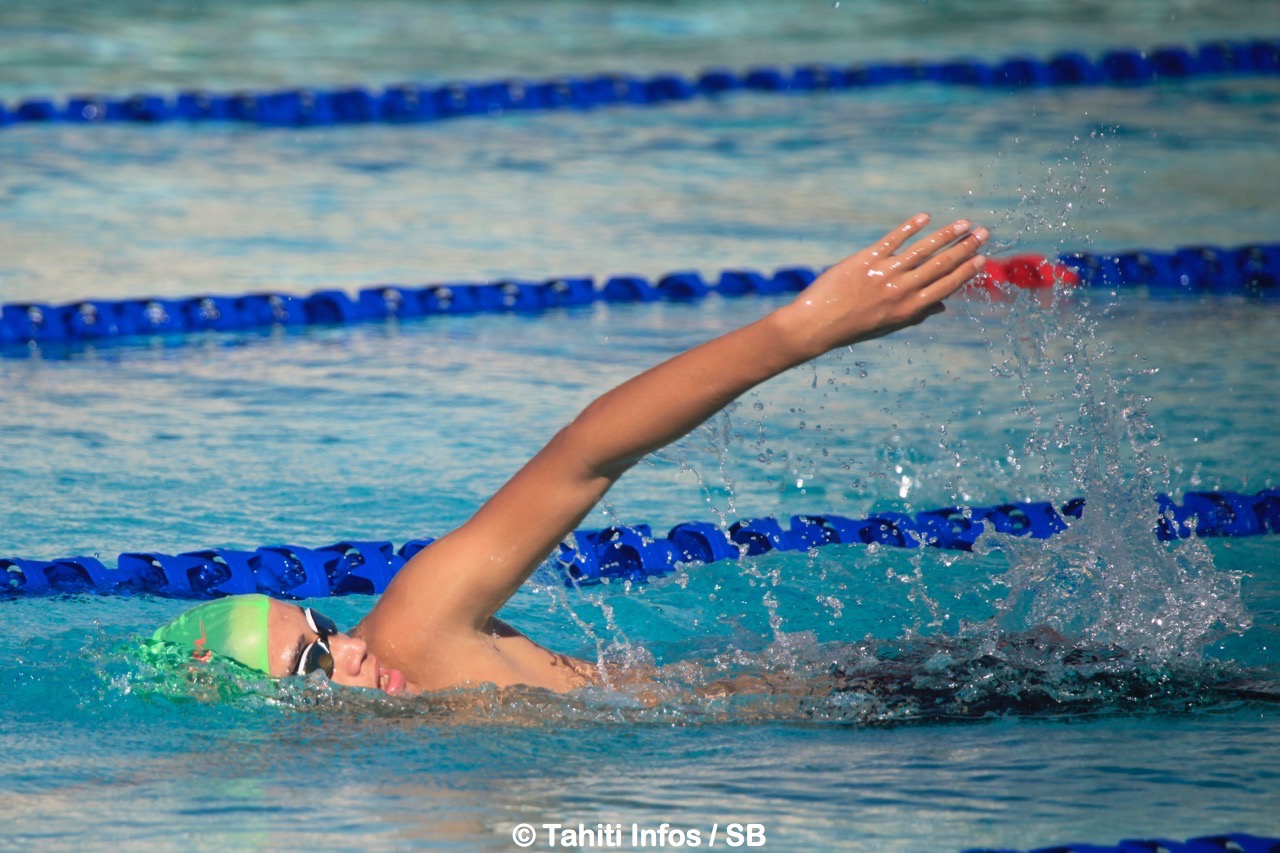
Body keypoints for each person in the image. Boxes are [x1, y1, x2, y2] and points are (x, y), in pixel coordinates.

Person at [152, 214, 990, 696]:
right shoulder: (399, 775)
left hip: (895, 693)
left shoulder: (412, 627)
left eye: (324, 628)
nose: (350, 647)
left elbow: (583, 455)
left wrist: (794, 332)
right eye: (310, 658)